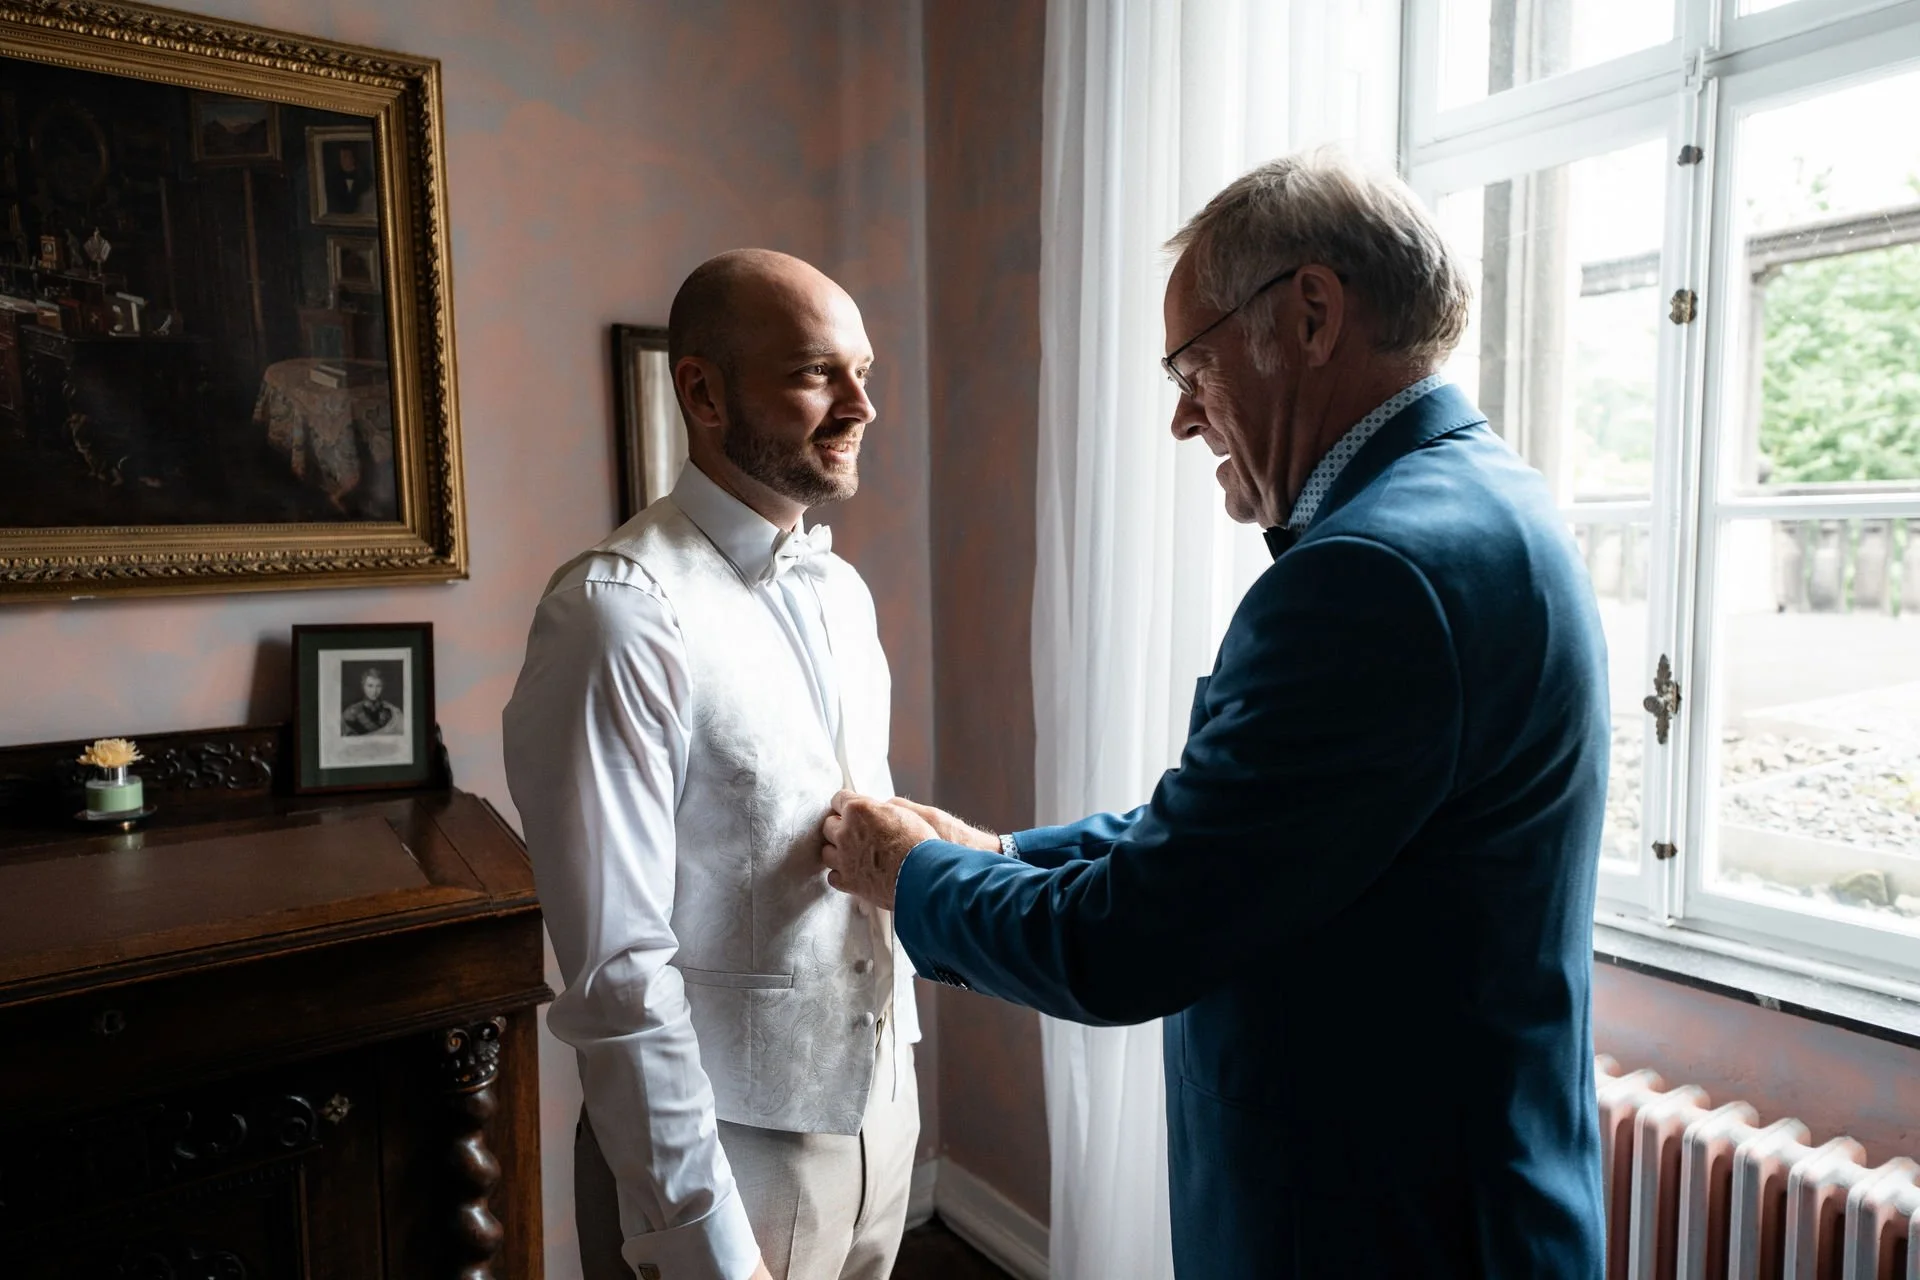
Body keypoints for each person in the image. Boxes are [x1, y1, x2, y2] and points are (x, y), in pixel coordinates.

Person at [821, 152, 1610, 1279]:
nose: (1187, 420)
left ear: (1311, 313)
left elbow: (1130, 939)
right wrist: (1003, 852)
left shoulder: (1373, 576)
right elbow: (1235, 835)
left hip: (1380, 1228)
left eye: (1191, 366)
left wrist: (915, 877)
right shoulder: (1489, 504)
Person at [504, 249, 919, 1280]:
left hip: (876, 1122)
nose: (861, 403)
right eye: (817, 373)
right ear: (702, 389)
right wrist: (704, 1236)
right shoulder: (616, 616)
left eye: (864, 370)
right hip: (722, 1162)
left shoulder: (844, 592)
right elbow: (617, 976)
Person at [340, 666, 401, 736]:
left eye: (378, 686)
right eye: (370, 686)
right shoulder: (351, 713)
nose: (374, 691)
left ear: (382, 687)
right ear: (363, 686)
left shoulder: (390, 711)